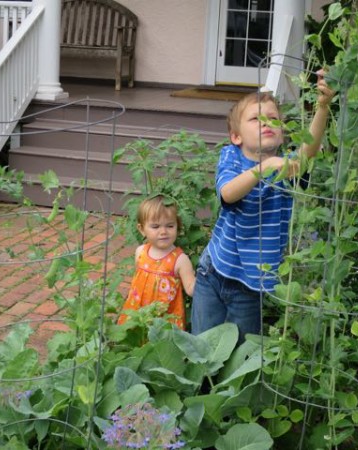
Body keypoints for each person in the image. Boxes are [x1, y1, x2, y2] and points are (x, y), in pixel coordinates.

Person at [190, 70, 335, 342]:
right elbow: (228, 193)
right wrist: (264, 167)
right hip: (214, 271)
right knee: (202, 347)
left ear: (282, 134)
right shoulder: (231, 157)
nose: (266, 122)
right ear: (236, 136)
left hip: (252, 284)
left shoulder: (288, 166)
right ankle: (202, 387)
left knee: (241, 352)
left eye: (274, 119)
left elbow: (310, 151)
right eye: (256, 118)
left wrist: (323, 106)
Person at [118, 195, 196, 330]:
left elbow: (191, 289)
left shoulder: (180, 260)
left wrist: (207, 277)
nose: (163, 232)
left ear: (177, 226)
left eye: (170, 226)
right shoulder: (140, 252)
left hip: (165, 318)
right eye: (155, 226)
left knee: (160, 346)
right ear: (142, 229)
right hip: (138, 312)